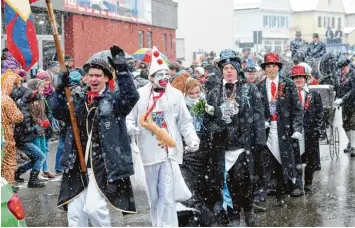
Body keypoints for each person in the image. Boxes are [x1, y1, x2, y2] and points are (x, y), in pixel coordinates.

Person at [52, 45, 139, 226]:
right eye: (90, 75)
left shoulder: (115, 101)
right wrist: (60, 89)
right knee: (75, 214)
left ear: (107, 78)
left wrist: (121, 68)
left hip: (103, 164)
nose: (93, 79)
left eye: (98, 75)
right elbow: (59, 112)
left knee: (94, 208)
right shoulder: (78, 99)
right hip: (76, 163)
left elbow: (131, 96)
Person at [126, 46, 200, 227]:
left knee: (167, 196)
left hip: (169, 153)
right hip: (147, 153)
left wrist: (192, 138)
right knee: (154, 197)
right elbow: (128, 117)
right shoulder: (140, 95)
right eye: (160, 75)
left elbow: (184, 121)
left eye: (166, 75)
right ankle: (157, 224)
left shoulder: (175, 95)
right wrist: (130, 127)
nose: (164, 78)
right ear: (151, 77)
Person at [204, 50, 266, 226]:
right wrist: (218, 128)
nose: (229, 71)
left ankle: (247, 210)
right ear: (221, 71)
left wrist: (259, 141)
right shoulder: (214, 93)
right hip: (222, 146)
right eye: (226, 68)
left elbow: (259, 116)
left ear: (238, 70)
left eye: (232, 68)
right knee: (227, 181)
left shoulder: (249, 89)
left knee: (243, 180)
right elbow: (207, 121)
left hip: (243, 145)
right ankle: (232, 212)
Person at [255, 52, 303, 208]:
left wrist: (296, 128)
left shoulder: (288, 84)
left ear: (278, 68)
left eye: (274, 66)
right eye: (268, 66)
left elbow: (297, 109)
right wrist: (261, 121)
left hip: (284, 130)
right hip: (267, 130)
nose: (271, 69)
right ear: (265, 69)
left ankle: (280, 194)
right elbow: (256, 110)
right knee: (265, 164)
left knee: (281, 163)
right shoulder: (260, 86)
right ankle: (261, 199)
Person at [176, 78, 217, 226]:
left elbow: (214, 125)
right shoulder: (181, 107)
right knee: (190, 184)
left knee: (206, 184)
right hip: (189, 152)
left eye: (197, 93)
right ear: (185, 93)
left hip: (205, 149)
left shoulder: (206, 105)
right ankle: (197, 214)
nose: (195, 96)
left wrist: (212, 113)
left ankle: (206, 216)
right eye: (191, 93)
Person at [290, 65, 325, 193]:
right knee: (296, 158)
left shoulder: (314, 94)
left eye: (301, 77)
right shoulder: (289, 94)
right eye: (296, 78)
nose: (298, 80)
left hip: (310, 131)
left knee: (310, 158)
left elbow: (320, 113)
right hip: (295, 131)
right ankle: (298, 186)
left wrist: (320, 130)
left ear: (305, 79)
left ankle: (308, 183)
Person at [12, 85, 47, 188]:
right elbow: (25, 128)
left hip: (23, 138)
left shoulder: (23, 105)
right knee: (41, 157)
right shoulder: (24, 109)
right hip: (23, 139)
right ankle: (33, 180)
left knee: (35, 159)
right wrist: (37, 127)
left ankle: (17, 173)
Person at [1, 71, 24, 186]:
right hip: (6, 138)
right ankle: (6, 191)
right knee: (8, 165)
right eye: (15, 85)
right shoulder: (6, 99)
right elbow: (18, 117)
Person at [334, 59, 355, 156]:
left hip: (353, 103)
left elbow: (353, 90)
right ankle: (350, 143)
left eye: (343, 69)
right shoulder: (339, 75)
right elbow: (337, 87)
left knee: (353, 124)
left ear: (348, 66)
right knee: (345, 125)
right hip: (344, 104)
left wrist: (342, 99)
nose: (342, 71)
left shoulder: (353, 74)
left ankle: (354, 146)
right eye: (341, 69)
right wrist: (335, 96)